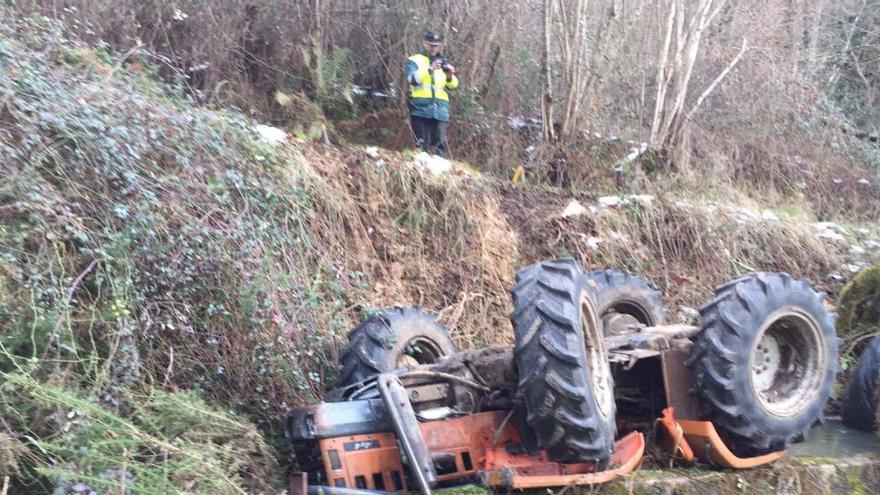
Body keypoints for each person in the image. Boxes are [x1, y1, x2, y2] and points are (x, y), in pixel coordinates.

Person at [406, 30, 459, 157]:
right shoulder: (414, 60)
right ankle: (420, 173)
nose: (434, 48)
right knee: (420, 147)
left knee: (439, 147)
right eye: (431, 44)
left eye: (436, 45)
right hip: (420, 108)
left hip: (440, 110)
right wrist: (430, 69)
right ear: (424, 43)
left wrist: (450, 76)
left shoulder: (443, 62)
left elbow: (453, 85)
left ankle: (438, 172)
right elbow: (412, 80)